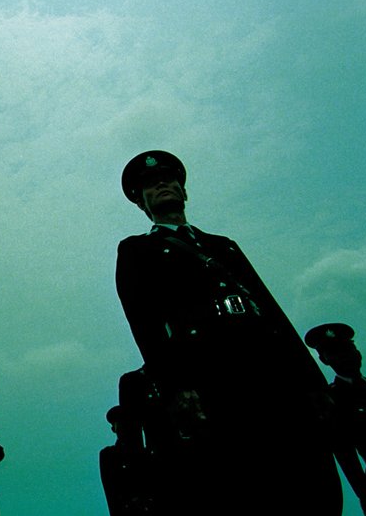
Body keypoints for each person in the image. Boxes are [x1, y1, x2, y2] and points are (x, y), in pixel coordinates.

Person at [114, 150, 341, 515]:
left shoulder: (223, 246)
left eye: (169, 179)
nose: (163, 185)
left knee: (308, 479)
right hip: (213, 378)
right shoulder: (137, 250)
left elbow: (273, 313)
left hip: (273, 375)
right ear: (141, 202)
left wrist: (313, 382)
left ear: (184, 191)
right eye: (151, 185)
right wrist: (175, 388)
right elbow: (145, 324)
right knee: (244, 481)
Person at [305, 323, 366, 515]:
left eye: (348, 348)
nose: (345, 356)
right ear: (324, 360)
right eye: (335, 352)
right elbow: (344, 452)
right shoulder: (331, 400)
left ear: (357, 352)